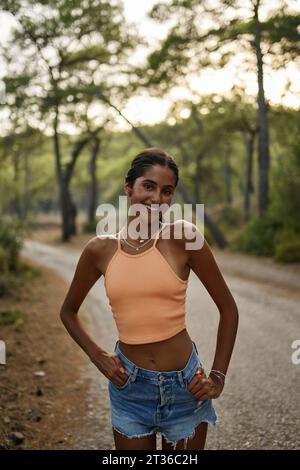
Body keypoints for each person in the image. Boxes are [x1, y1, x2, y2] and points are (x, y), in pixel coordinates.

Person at [60, 147, 239, 450]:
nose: (157, 199)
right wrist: (97, 356)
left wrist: (217, 377)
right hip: (129, 389)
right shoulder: (99, 250)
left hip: (185, 387)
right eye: (149, 186)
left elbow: (228, 309)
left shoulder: (185, 239)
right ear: (128, 188)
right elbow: (68, 312)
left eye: (167, 191)